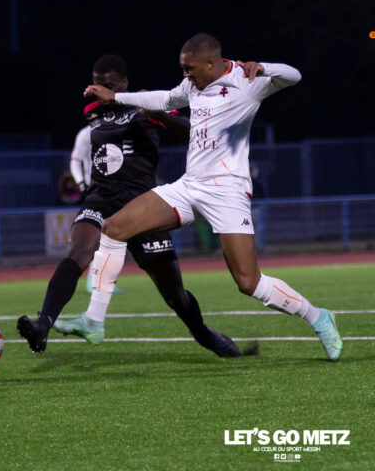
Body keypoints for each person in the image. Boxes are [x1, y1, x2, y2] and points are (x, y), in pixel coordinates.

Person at [81, 33, 342, 361]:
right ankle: (93, 320)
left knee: (248, 282)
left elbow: (294, 75)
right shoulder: (192, 85)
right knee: (115, 227)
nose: (185, 75)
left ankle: (318, 317)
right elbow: (163, 100)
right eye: (182, 68)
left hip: (228, 192)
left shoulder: (247, 81)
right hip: (190, 186)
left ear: (210, 63)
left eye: (190, 68)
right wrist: (116, 98)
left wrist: (264, 67)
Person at [17, 54, 249, 358]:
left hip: (142, 205)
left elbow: (192, 131)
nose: (102, 89)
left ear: (124, 84)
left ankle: (204, 334)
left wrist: (160, 114)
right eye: (97, 84)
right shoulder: (92, 111)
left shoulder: (146, 103)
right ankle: (42, 327)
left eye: (110, 84)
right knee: (78, 250)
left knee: (175, 295)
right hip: (100, 199)